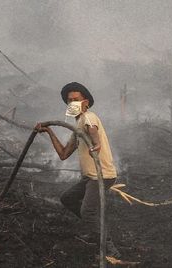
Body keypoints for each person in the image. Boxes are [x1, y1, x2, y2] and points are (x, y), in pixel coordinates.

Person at [35, 82, 120, 256]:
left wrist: (96, 144)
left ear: (85, 102)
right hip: (90, 177)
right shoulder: (77, 128)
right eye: (69, 101)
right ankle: (96, 228)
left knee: (87, 211)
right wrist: (49, 131)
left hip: (101, 175)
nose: (73, 104)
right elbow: (64, 154)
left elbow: (92, 129)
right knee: (68, 198)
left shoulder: (88, 117)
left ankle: (109, 249)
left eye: (76, 100)